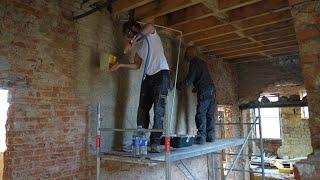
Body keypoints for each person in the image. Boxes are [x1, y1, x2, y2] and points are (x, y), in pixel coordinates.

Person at [110, 21, 170, 153]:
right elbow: (137, 66)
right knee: (142, 109)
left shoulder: (151, 35)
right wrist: (120, 65)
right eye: (128, 35)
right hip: (148, 77)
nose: (129, 36)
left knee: (158, 109)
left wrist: (132, 42)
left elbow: (151, 25)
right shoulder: (140, 48)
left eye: (129, 33)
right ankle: (141, 140)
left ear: (135, 28)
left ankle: (155, 143)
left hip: (162, 74)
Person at [177, 46, 216, 144]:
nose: (185, 55)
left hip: (205, 91)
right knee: (210, 114)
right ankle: (211, 137)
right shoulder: (202, 62)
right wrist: (196, 87)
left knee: (201, 114)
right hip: (212, 90)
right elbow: (202, 77)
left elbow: (190, 79)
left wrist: (178, 85)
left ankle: (201, 137)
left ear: (190, 53)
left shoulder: (194, 62)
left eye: (186, 53)